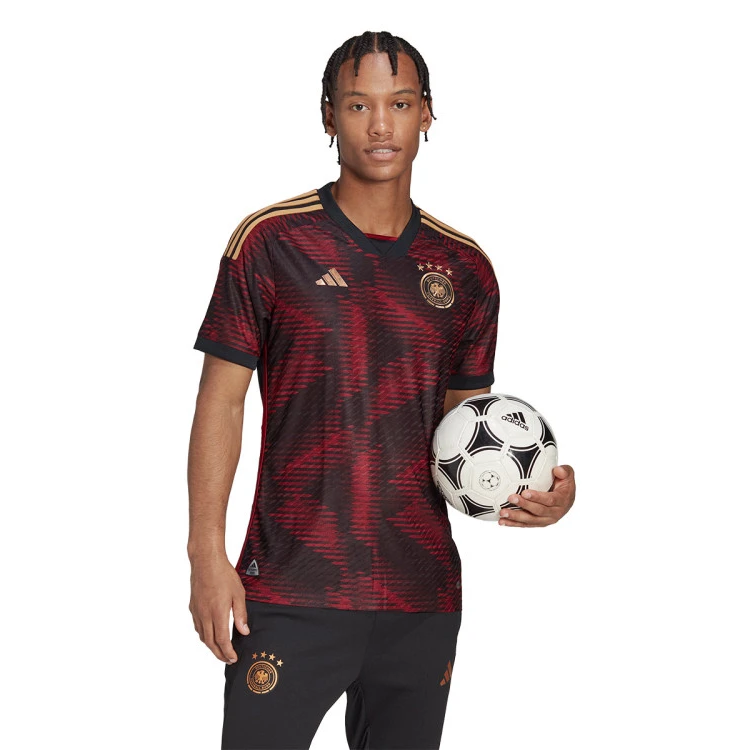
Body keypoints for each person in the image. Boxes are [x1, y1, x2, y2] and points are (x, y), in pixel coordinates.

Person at [187, 30, 576, 750]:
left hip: (421, 596)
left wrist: (539, 490)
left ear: (427, 113)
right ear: (328, 116)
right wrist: (205, 556)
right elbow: (221, 402)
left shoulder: (465, 269)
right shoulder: (271, 243)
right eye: (358, 104)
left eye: (398, 104)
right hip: (290, 589)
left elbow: (462, 433)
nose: (379, 125)